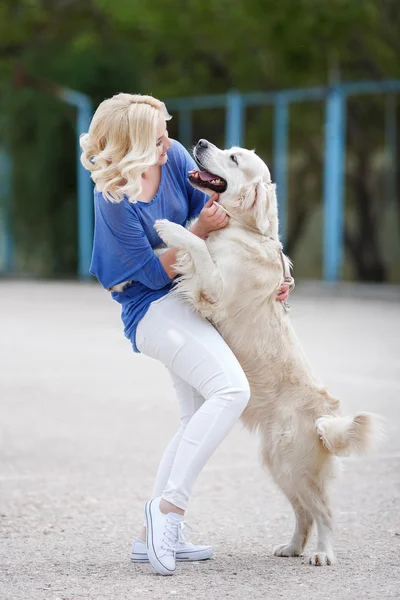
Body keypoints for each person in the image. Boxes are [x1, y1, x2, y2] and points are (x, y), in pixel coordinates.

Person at [80, 93, 291, 576]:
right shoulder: (113, 198)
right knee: (231, 389)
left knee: (194, 414)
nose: (169, 142)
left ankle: (146, 536)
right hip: (152, 307)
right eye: (156, 137)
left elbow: (225, 216)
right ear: (132, 145)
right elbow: (151, 276)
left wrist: (277, 273)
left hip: (194, 293)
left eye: (166, 132)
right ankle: (168, 511)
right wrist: (196, 227)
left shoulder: (171, 156)